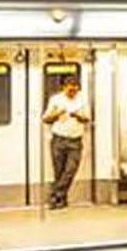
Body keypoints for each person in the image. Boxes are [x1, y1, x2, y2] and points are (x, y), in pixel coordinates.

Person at [43, 76, 90, 209]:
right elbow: (46, 119)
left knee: (70, 170)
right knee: (59, 172)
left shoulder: (82, 100)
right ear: (64, 88)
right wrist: (57, 114)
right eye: (70, 90)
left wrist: (77, 116)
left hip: (75, 140)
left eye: (75, 90)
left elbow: (87, 119)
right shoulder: (56, 100)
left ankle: (55, 195)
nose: (73, 93)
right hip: (58, 139)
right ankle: (61, 199)